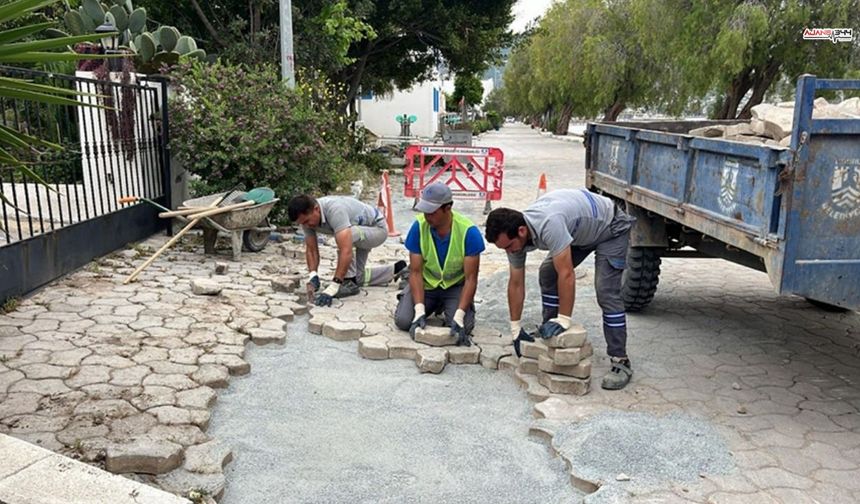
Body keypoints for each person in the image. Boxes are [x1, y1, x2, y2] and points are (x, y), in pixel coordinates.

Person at [484, 189, 636, 390]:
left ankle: (620, 360)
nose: (509, 251)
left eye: (509, 246)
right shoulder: (514, 238)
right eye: (504, 248)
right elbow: (516, 282)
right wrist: (515, 329)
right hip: (581, 231)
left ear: (521, 231)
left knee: (606, 291)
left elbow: (566, 275)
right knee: (547, 273)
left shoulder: (549, 224)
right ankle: (550, 332)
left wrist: (565, 319)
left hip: (610, 227)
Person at [393, 182, 485, 346]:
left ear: (448, 208)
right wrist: (419, 310)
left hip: (455, 286)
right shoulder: (419, 227)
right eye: (425, 211)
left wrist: (460, 314)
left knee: (463, 327)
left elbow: (471, 279)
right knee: (403, 321)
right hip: (427, 285)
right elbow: (415, 272)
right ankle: (425, 305)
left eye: (432, 212)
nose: (427, 216)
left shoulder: (468, 232)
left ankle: (451, 307)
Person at [288, 194, 406, 306]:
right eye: (302, 223)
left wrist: (335, 284)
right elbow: (312, 249)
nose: (307, 226)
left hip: (376, 230)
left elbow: (346, 250)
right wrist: (313, 275)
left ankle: (347, 282)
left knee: (346, 236)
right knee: (358, 278)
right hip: (360, 232)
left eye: (307, 221)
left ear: (316, 209)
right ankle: (398, 269)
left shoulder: (335, 210)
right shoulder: (306, 220)